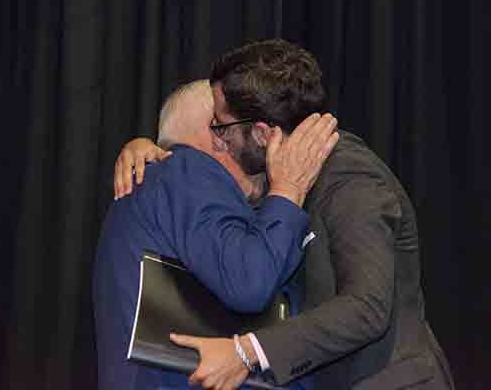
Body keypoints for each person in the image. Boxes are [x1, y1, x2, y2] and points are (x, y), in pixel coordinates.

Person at [115, 39, 455, 390]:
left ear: (261, 133)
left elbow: (367, 307)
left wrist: (246, 352)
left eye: (222, 126)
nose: (218, 139)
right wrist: (153, 149)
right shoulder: (275, 180)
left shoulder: (348, 173)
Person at [94, 79, 339, 390]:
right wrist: (288, 190)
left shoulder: (172, 189)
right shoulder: (185, 170)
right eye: (241, 125)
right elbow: (249, 282)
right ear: (216, 132)